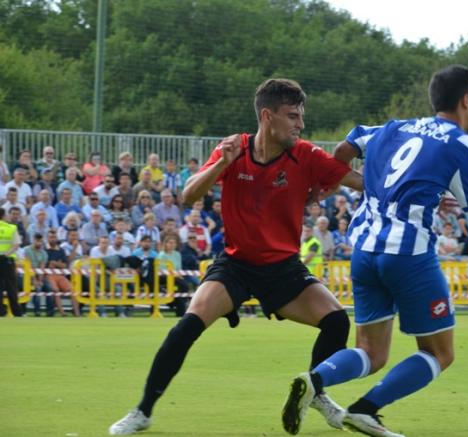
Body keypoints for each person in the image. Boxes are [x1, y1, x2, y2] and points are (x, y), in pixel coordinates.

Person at [282, 65, 468, 437]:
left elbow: (341, 151)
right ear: (467, 100)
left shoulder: (392, 128)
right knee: (439, 353)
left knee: (371, 352)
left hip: (365, 249)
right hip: (409, 254)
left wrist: (375, 188)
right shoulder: (464, 147)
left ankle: (314, 378)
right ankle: (365, 409)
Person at [109, 78, 363, 435]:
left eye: (300, 117)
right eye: (292, 116)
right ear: (267, 116)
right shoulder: (233, 149)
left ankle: (317, 394)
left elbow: (360, 182)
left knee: (337, 321)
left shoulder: (306, 154)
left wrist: (419, 185)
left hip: (283, 268)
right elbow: (188, 196)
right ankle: (143, 411)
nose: (300, 124)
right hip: (236, 265)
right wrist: (218, 166)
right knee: (188, 325)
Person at [0, 208, 22, 317]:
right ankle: (16, 311)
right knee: (11, 287)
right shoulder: (12, 228)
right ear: (4, 216)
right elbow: (16, 244)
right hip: (7, 260)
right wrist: (6, 254)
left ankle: (1, 311)